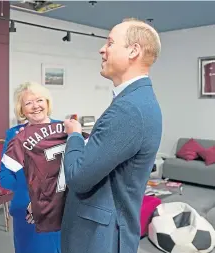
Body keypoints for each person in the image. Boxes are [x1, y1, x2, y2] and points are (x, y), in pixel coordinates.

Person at [61, 18, 163, 253]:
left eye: (110, 43)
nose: (102, 49)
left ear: (133, 51)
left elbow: (78, 177)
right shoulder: (137, 100)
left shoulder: (129, 108)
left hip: (100, 238)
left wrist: (74, 136)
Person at [0, 81, 61, 253]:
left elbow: (76, 170)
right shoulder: (14, 135)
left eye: (39, 100)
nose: (35, 106)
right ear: (22, 110)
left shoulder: (65, 130)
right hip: (27, 212)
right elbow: (5, 175)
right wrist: (29, 201)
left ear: (47, 102)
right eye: (28, 103)